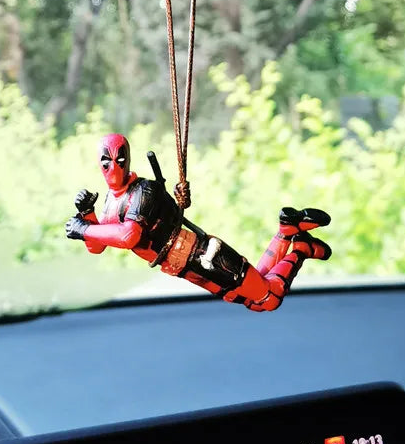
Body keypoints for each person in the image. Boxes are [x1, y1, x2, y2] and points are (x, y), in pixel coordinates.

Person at [65, 133, 331, 311]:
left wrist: (84, 228)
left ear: (128, 160)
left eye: (120, 160)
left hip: (203, 255)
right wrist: (87, 215)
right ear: (99, 164)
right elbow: (97, 246)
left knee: (267, 299)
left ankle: (301, 248)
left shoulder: (143, 191)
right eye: (106, 161)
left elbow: (128, 236)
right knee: (251, 297)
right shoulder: (111, 204)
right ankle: (286, 230)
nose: (113, 167)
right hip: (184, 268)